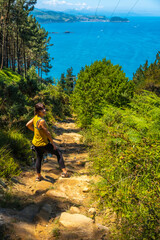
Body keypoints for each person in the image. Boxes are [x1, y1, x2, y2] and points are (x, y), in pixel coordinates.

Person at [26, 102, 68, 181]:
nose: (44, 110)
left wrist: (35, 131)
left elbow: (27, 125)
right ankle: (65, 172)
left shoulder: (35, 118)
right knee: (58, 153)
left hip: (35, 143)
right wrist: (53, 144)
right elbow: (48, 133)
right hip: (43, 143)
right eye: (42, 109)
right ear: (38, 111)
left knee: (39, 158)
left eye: (44, 108)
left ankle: (38, 176)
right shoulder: (42, 121)